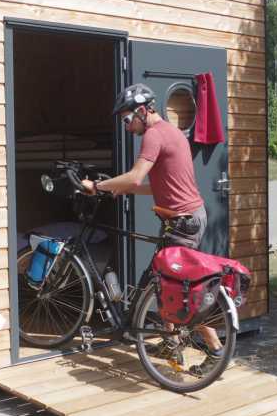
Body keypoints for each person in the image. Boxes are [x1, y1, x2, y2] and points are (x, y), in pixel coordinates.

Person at [80, 83, 223, 377]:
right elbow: (158, 184)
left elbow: (134, 178)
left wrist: (97, 186)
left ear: (143, 111)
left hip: (184, 222)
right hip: (185, 217)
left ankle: (216, 350)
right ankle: (171, 344)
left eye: (126, 119)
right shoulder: (170, 132)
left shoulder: (154, 135)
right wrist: (121, 191)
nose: (126, 125)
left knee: (180, 289)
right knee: (163, 282)